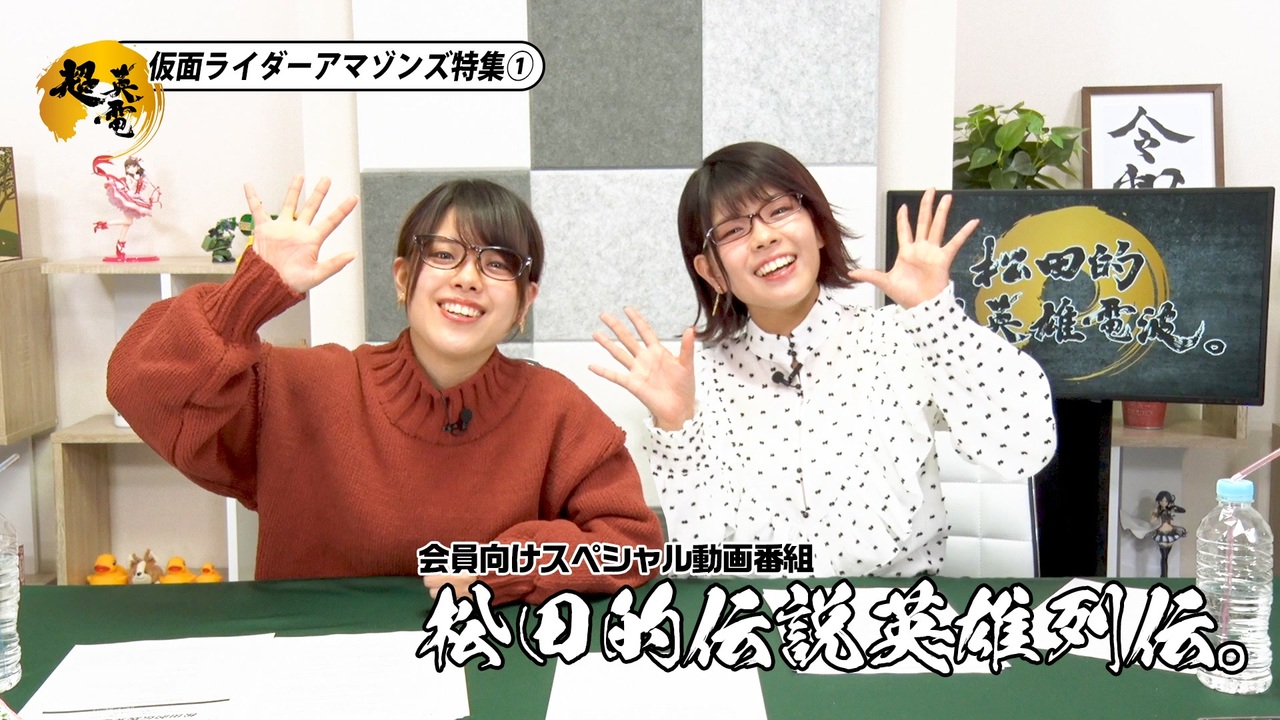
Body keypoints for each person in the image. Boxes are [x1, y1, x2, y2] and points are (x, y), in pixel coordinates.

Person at [107, 176, 663, 604]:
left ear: (525, 301)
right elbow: (140, 385)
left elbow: (631, 544)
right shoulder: (297, 387)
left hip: (484, 662)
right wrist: (250, 295)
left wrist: (503, 566)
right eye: (443, 255)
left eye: (497, 264)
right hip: (317, 671)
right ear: (402, 277)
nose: (467, 277)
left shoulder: (554, 407)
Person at [592, 141, 1057, 577]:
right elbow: (703, 558)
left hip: (898, 611)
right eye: (733, 230)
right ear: (712, 271)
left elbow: (1026, 448)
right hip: (766, 616)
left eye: (779, 210)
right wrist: (677, 426)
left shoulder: (899, 338)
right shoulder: (700, 380)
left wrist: (936, 318)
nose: (764, 236)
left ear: (816, 226)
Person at [93, 155, 161, 259]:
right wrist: (135, 181)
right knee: (128, 222)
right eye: (127, 167)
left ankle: (119, 243)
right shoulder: (130, 178)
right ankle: (105, 226)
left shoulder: (139, 176)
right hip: (129, 198)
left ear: (137, 167)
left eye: (132, 166)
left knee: (128, 222)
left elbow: (144, 178)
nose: (130, 169)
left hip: (136, 198)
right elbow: (130, 188)